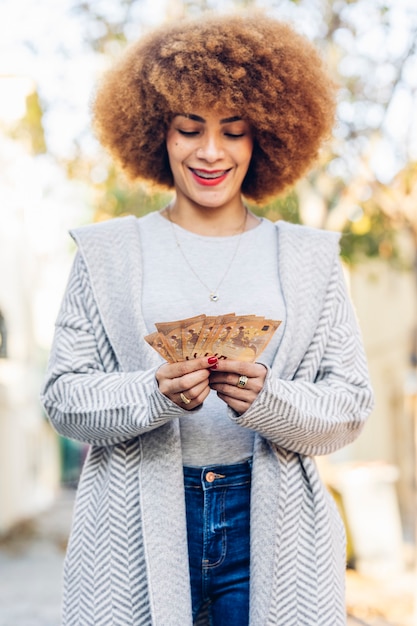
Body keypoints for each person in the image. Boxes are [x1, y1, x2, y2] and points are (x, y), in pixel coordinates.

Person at [41, 11, 374, 626]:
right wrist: (152, 392)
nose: (211, 152)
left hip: (273, 531)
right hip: (133, 526)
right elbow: (63, 397)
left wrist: (271, 400)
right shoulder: (107, 254)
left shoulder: (309, 259)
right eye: (189, 129)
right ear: (157, 134)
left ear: (266, 136)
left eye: (234, 130)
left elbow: (349, 406)